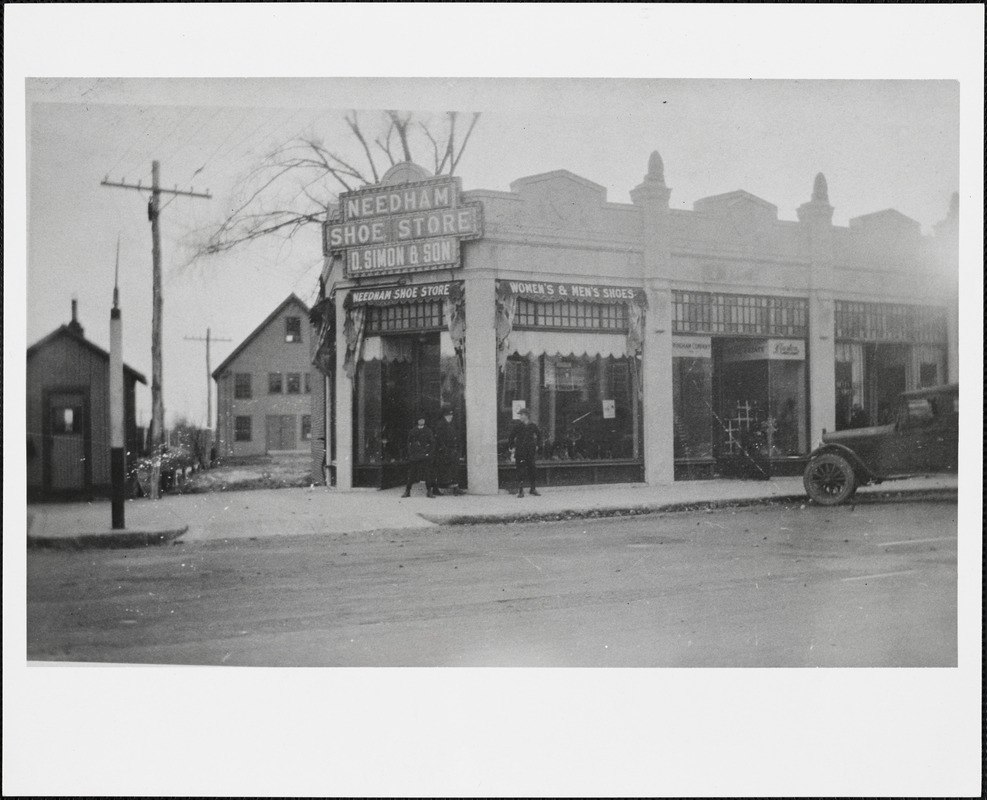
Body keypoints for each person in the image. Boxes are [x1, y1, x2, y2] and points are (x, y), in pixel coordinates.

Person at [430, 406, 464, 496]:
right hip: (443, 451)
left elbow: (456, 436)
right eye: (448, 415)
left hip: (452, 450)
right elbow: (438, 439)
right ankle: (436, 489)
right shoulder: (440, 425)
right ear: (444, 416)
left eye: (451, 415)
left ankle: (456, 488)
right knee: (441, 470)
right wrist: (443, 448)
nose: (450, 417)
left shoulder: (452, 424)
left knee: (454, 469)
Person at [507, 407, 541, 498]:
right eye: (520, 415)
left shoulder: (532, 426)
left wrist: (537, 445)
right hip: (520, 451)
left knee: (532, 470)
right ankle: (521, 490)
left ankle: (533, 489)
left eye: (521, 415)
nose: (520, 417)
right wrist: (512, 447)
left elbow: (539, 435)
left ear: (526, 416)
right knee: (520, 470)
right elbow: (511, 437)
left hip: (530, 452)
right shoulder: (518, 426)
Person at [402, 416, 435, 498]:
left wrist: (429, 453)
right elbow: (409, 443)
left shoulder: (428, 431)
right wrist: (411, 454)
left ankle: (429, 491)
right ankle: (407, 491)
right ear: (417, 421)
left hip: (425, 456)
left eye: (423, 419)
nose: (421, 421)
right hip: (415, 456)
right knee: (412, 474)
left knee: (427, 474)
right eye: (420, 420)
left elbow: (432, 443)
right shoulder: (413, 431)